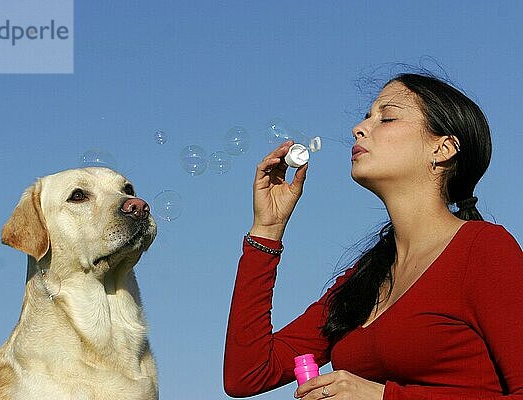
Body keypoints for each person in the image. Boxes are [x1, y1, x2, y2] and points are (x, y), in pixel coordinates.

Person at [223, 73, 523, 400]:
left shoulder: (485, 250)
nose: (359, 128)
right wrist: (267, 230)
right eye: (367, 116)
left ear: (443, 148)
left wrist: (382, 397)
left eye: (387, 117)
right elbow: (248, 374)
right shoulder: (365, 279)